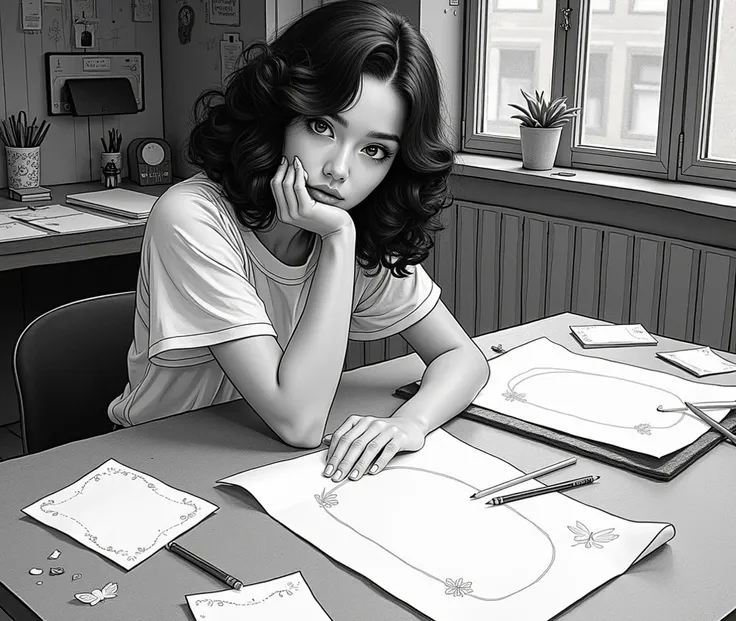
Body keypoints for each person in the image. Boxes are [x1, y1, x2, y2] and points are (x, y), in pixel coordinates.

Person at [108, 0, 490, 484]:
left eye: (374, 150)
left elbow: (464, 358)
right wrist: (336, 238)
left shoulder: (360, 226)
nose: (339, 169)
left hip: (271, 466)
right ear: (280, 113)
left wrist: (410, 423)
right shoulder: (192, 217)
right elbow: (300, 421)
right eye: (321, 126)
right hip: (159, 463)